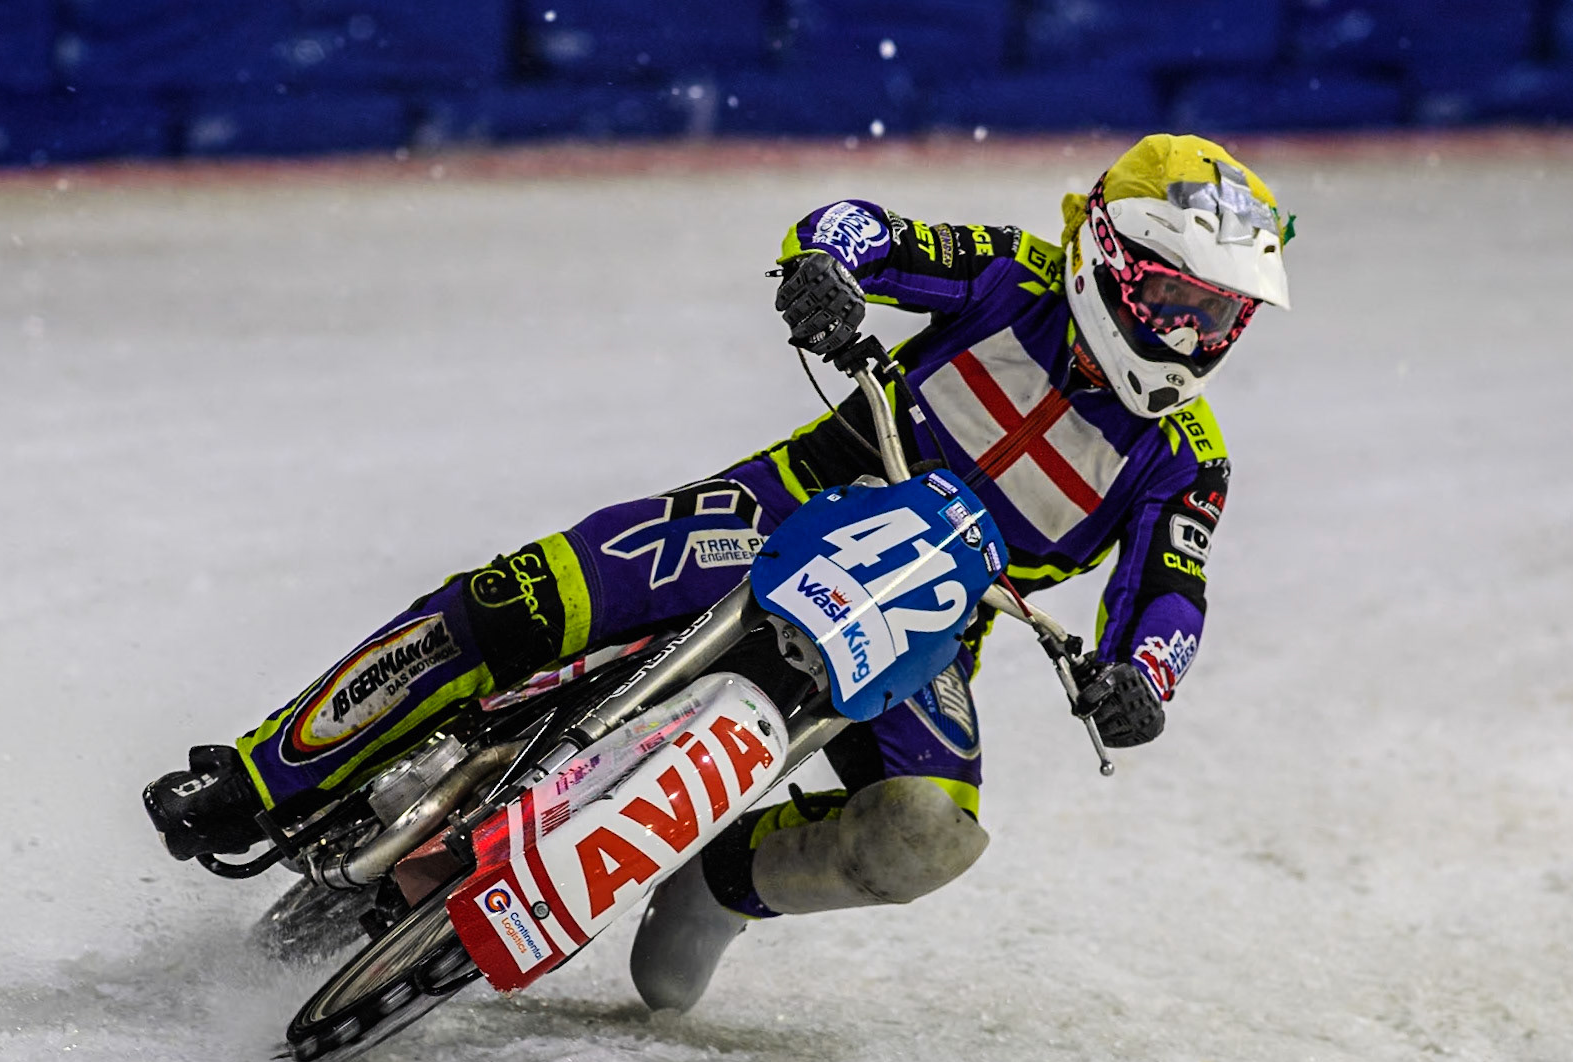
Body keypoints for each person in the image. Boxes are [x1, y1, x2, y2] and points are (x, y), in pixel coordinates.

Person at [144, 133, 1292, 1012]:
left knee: (926, 831)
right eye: (1174, 300)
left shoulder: (1185, 460)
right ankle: (257, 777)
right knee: (523, 599)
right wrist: (824, 269)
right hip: (794, 498)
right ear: (1104, 252)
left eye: (1219, 317)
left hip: (935, 622)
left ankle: (715, 879)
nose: (1190, 338)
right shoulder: (1007, 276)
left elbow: (1170, 595)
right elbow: (858, 224)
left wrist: (1144, 676)